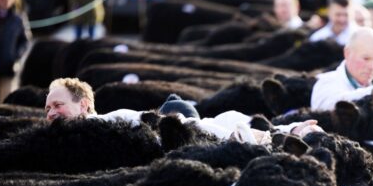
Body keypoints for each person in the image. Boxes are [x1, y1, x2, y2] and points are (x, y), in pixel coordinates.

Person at [45, 78, 322, 142]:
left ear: (83, 105)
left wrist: (281, 132)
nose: (51, 113)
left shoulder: (112, 120)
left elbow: (184, 125)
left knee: (228, 120)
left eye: (58, 105)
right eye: (47, 108)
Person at [310, 27, 373, 111]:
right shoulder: (325, 82)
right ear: (347, 53)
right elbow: (334, 106)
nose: (372, 67)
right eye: (366, 59)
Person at [0, 0, 30, 103]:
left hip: (9, 68)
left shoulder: (18, 18)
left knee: (6, 100)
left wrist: (16, 58)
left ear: (12, 0)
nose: (3, 2)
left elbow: (25, 41)